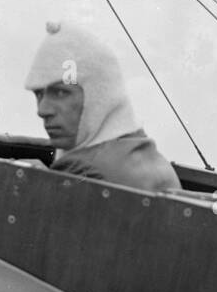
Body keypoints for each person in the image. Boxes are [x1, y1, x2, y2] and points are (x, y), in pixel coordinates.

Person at [25, 22, 181, 193]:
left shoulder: (82, 172)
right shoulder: (151, 158)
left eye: (61, 93)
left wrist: (32, 182)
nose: (42, 110)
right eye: (39, 94)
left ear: (99, 98)